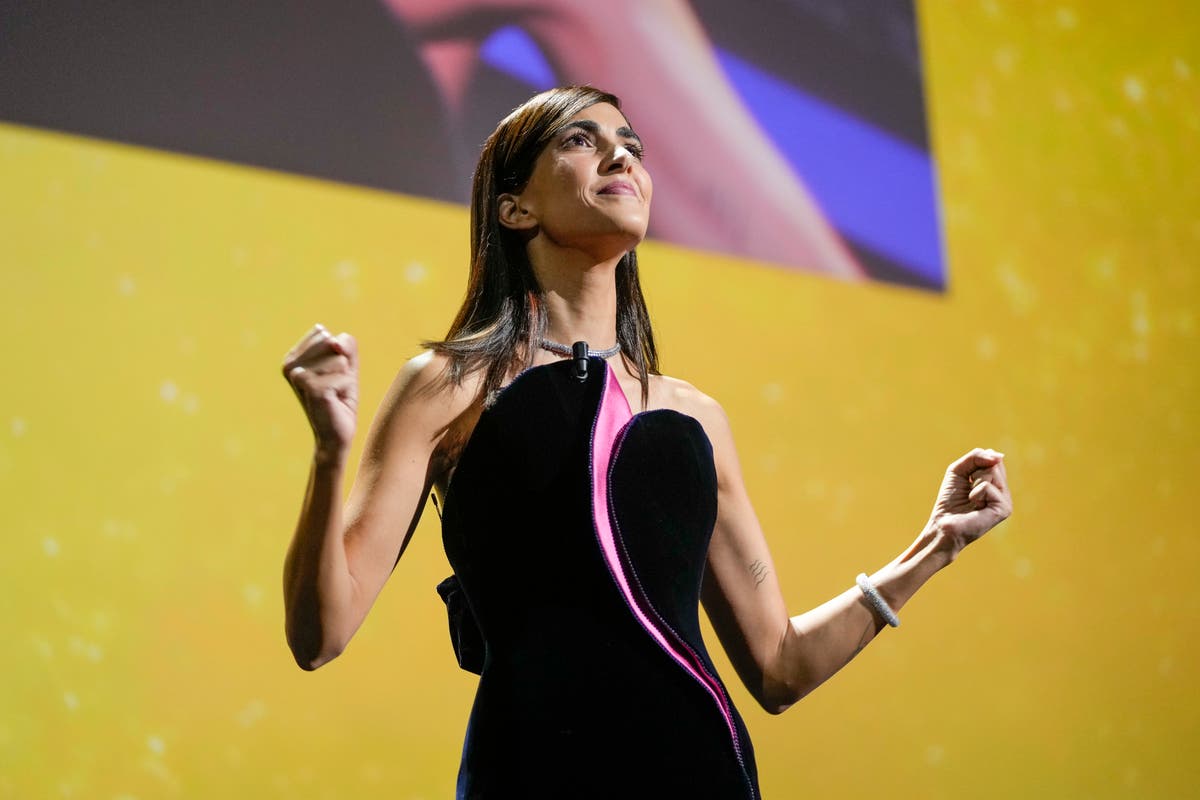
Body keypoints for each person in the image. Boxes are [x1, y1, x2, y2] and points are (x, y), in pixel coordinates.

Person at [280, 86, 1012, 798]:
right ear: (514, 207)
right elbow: (322, 634)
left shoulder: (696, 418)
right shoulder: (451, 384)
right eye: (580, 140)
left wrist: (936, 545)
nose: (620, 157)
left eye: (631, 146)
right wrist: (328, 453)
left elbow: (780, 667)